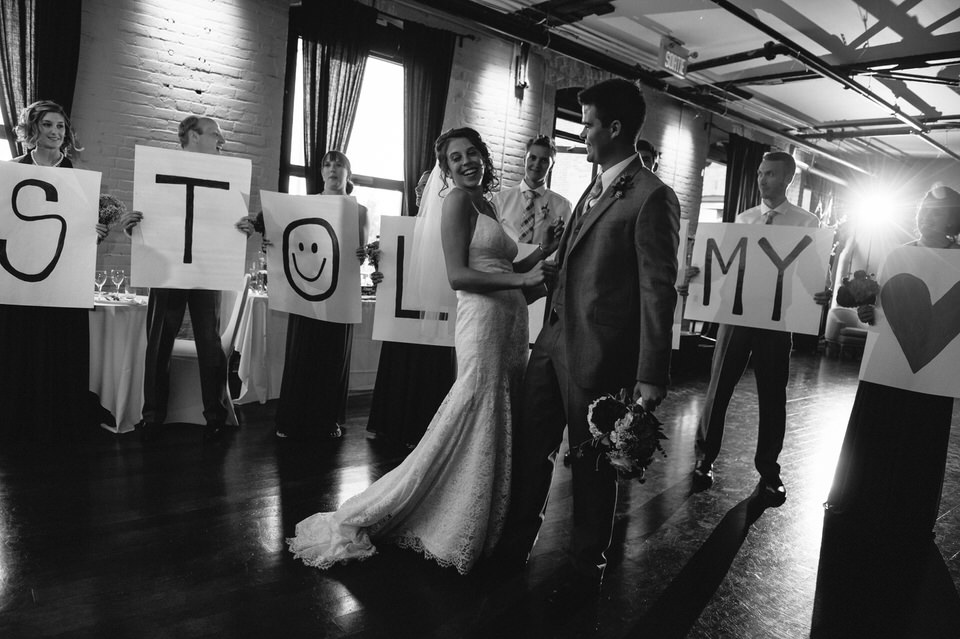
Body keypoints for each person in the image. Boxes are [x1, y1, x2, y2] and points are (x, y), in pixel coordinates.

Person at [286, 127, 562, 575]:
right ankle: (438, 510)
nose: (467, 162)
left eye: (472, 153)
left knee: (499, 412)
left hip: (510, 323)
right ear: (447, 169)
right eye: (456, 159)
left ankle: (487, 509)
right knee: (475, 408)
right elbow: (459, 276)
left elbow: (503, 262)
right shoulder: (455, 200)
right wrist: (521, 281)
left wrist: (541, 256)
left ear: (484, 156)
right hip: (484, 321)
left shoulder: (486, 202)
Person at [496, 78, 681, 591]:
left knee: (591, 465)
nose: (583, 133)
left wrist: (651, 373)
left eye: (590, 123)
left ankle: (585, 566)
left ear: (615, 128)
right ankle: (514, 547)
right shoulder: (593, 185)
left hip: (600, 355)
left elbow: (657, 290)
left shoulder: (653, 197)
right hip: (550, 345)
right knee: (531, 448)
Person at [824, 185, 960, 546]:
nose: (928, 217)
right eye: (924, 211)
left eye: (939, 212)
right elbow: (879, 310)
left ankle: (909, 516)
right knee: (877, 434)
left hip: (935, 374)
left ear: (954, 219)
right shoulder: (897, 255)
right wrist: (867, 311)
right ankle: (860, 502)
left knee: (921, 442)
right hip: (887, 367)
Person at [691, 151, 822, 505]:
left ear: (787, 179)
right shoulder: (744, 218)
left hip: (777, 321)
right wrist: (697, 275)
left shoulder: (806, 223)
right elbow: (724, 267)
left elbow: (810, 275)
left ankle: (768, 469)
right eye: (761, 173)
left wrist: (822, 292)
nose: (762, 180)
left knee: (772, 395)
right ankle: (704, 458)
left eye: (770, 174)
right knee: (718, 388)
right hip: (736, 315)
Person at [120, 116, 255, 443]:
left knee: (209, 342)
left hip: (206, 268)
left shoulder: (227, 178)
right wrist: (134, 227)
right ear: (193, 136)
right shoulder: (158, 169)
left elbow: (230, 224)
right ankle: (152, 416)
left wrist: (245, 228)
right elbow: (150, 220)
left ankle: (215, 415)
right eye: (215, 134)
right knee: (159, 342)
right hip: (168, 269)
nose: (222, 140)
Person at [0, 100, 109, 444]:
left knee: (60, 350)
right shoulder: (11, 171)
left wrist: (97, 234)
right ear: (32, 129)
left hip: (62, 285)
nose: (55, 132)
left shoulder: (77, 178)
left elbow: (79, 235)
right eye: (47, 125)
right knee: (17, 349)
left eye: (60, 127)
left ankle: (58, 421)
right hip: (18, 280)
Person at [274, 150, 369, 440]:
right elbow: (288, 239)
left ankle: (328, 420)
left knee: (332, 358)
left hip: (340, 292)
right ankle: (291, 420)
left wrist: (361, 253)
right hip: (305, 291)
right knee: (301, 354)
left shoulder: (359, 210)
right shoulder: (305, 204)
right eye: (327, 164)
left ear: (348, 174)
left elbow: (360, 254)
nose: (333, 168)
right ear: (321, 172)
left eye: (339, 164)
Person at [365, 169, 456, 448]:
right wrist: (380, 274)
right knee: (398, 363)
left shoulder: (450, 227)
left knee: (427, 369)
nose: (419, 190)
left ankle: (421, 430)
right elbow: (393, 274)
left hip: (435, 317)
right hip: (401, 314)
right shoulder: (403, 227)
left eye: (426, 186)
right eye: (417, 186)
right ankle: (389, 425)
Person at [493, 135, 572, 246]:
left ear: (552, 166)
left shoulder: (563, 206)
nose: (537, 164)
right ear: (524, 160)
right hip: (505, 262)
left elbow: (564, 245)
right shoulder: (500, 200)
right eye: (533, 158)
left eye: (544, 160)